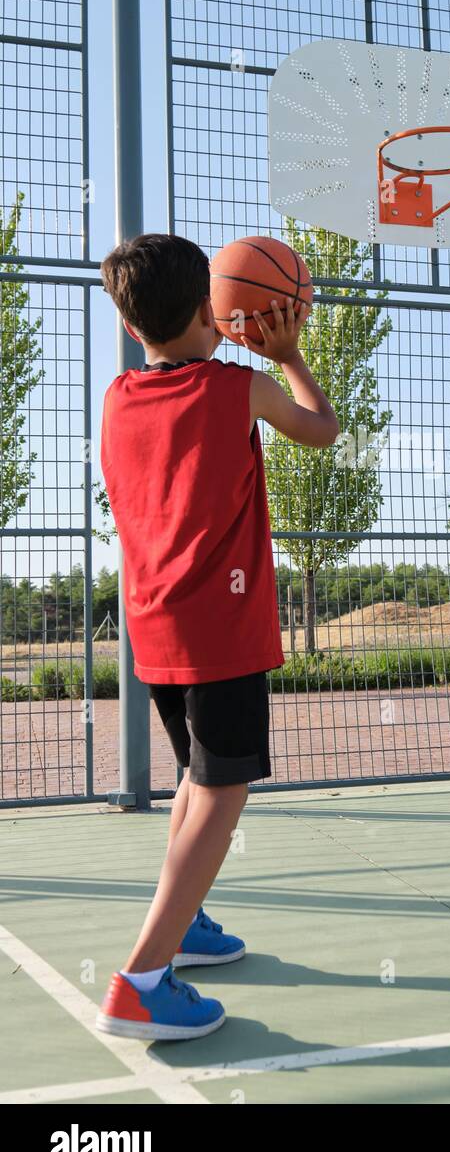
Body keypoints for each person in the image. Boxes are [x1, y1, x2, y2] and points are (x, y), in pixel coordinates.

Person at [95, 233, 338, 1040]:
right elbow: (320, 428)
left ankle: (186, 924)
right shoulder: (242, 388)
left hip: (152, 626)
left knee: (196, 782)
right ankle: (141, 980)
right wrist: (291, 353)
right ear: (214, 310)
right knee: (223, 792)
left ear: (133, 329)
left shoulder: (116, 399)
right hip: (221, 629)